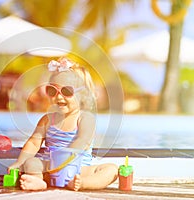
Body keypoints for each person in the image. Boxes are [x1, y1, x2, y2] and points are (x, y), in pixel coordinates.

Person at [8, 57, 118, 191]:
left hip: (78, 168)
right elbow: (33, 143)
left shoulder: (85, 118)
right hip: (51, 168)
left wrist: (66, 157)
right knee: (31, 163)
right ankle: (39, 181)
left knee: (111, 170)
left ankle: (83, 183)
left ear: (83, 94)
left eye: (67, 92)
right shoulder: (47, 120)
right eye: (52, 91)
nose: (59, 97)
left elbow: (83, 140)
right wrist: (20, 162)